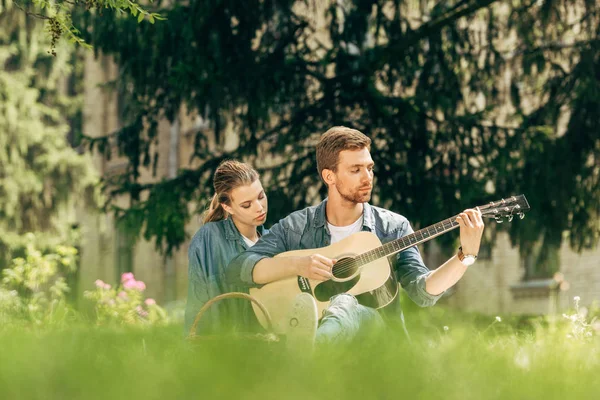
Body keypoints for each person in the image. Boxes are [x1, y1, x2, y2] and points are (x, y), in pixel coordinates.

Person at [226, 126, 484, 344]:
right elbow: (239, 267)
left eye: (369, 168)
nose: (367, 177)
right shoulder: (296, 226)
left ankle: (311, 349)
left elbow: (422, 292)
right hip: (312, 325)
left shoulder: (392, 227)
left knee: (344, 302)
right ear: (329, 176)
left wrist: (465, 256)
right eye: (355, 170)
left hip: (375, 340)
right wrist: (299, 265)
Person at [184, 160, 268, 336]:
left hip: (270, 351)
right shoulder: (209, 238)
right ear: (227, 206)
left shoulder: (274, 241)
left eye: (261, 196)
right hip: (226, 351)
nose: (259, 208)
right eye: (247, 204)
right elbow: (198, 305)